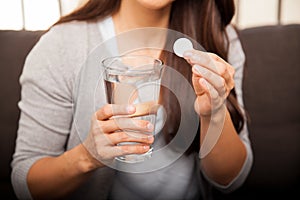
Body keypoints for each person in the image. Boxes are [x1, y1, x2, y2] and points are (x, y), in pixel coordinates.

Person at [11, 0, 253, 199]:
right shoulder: (63, 46)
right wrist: (86, 156)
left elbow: (231, 180)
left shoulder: (216, 36)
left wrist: (214, 112)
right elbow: (26, 184)